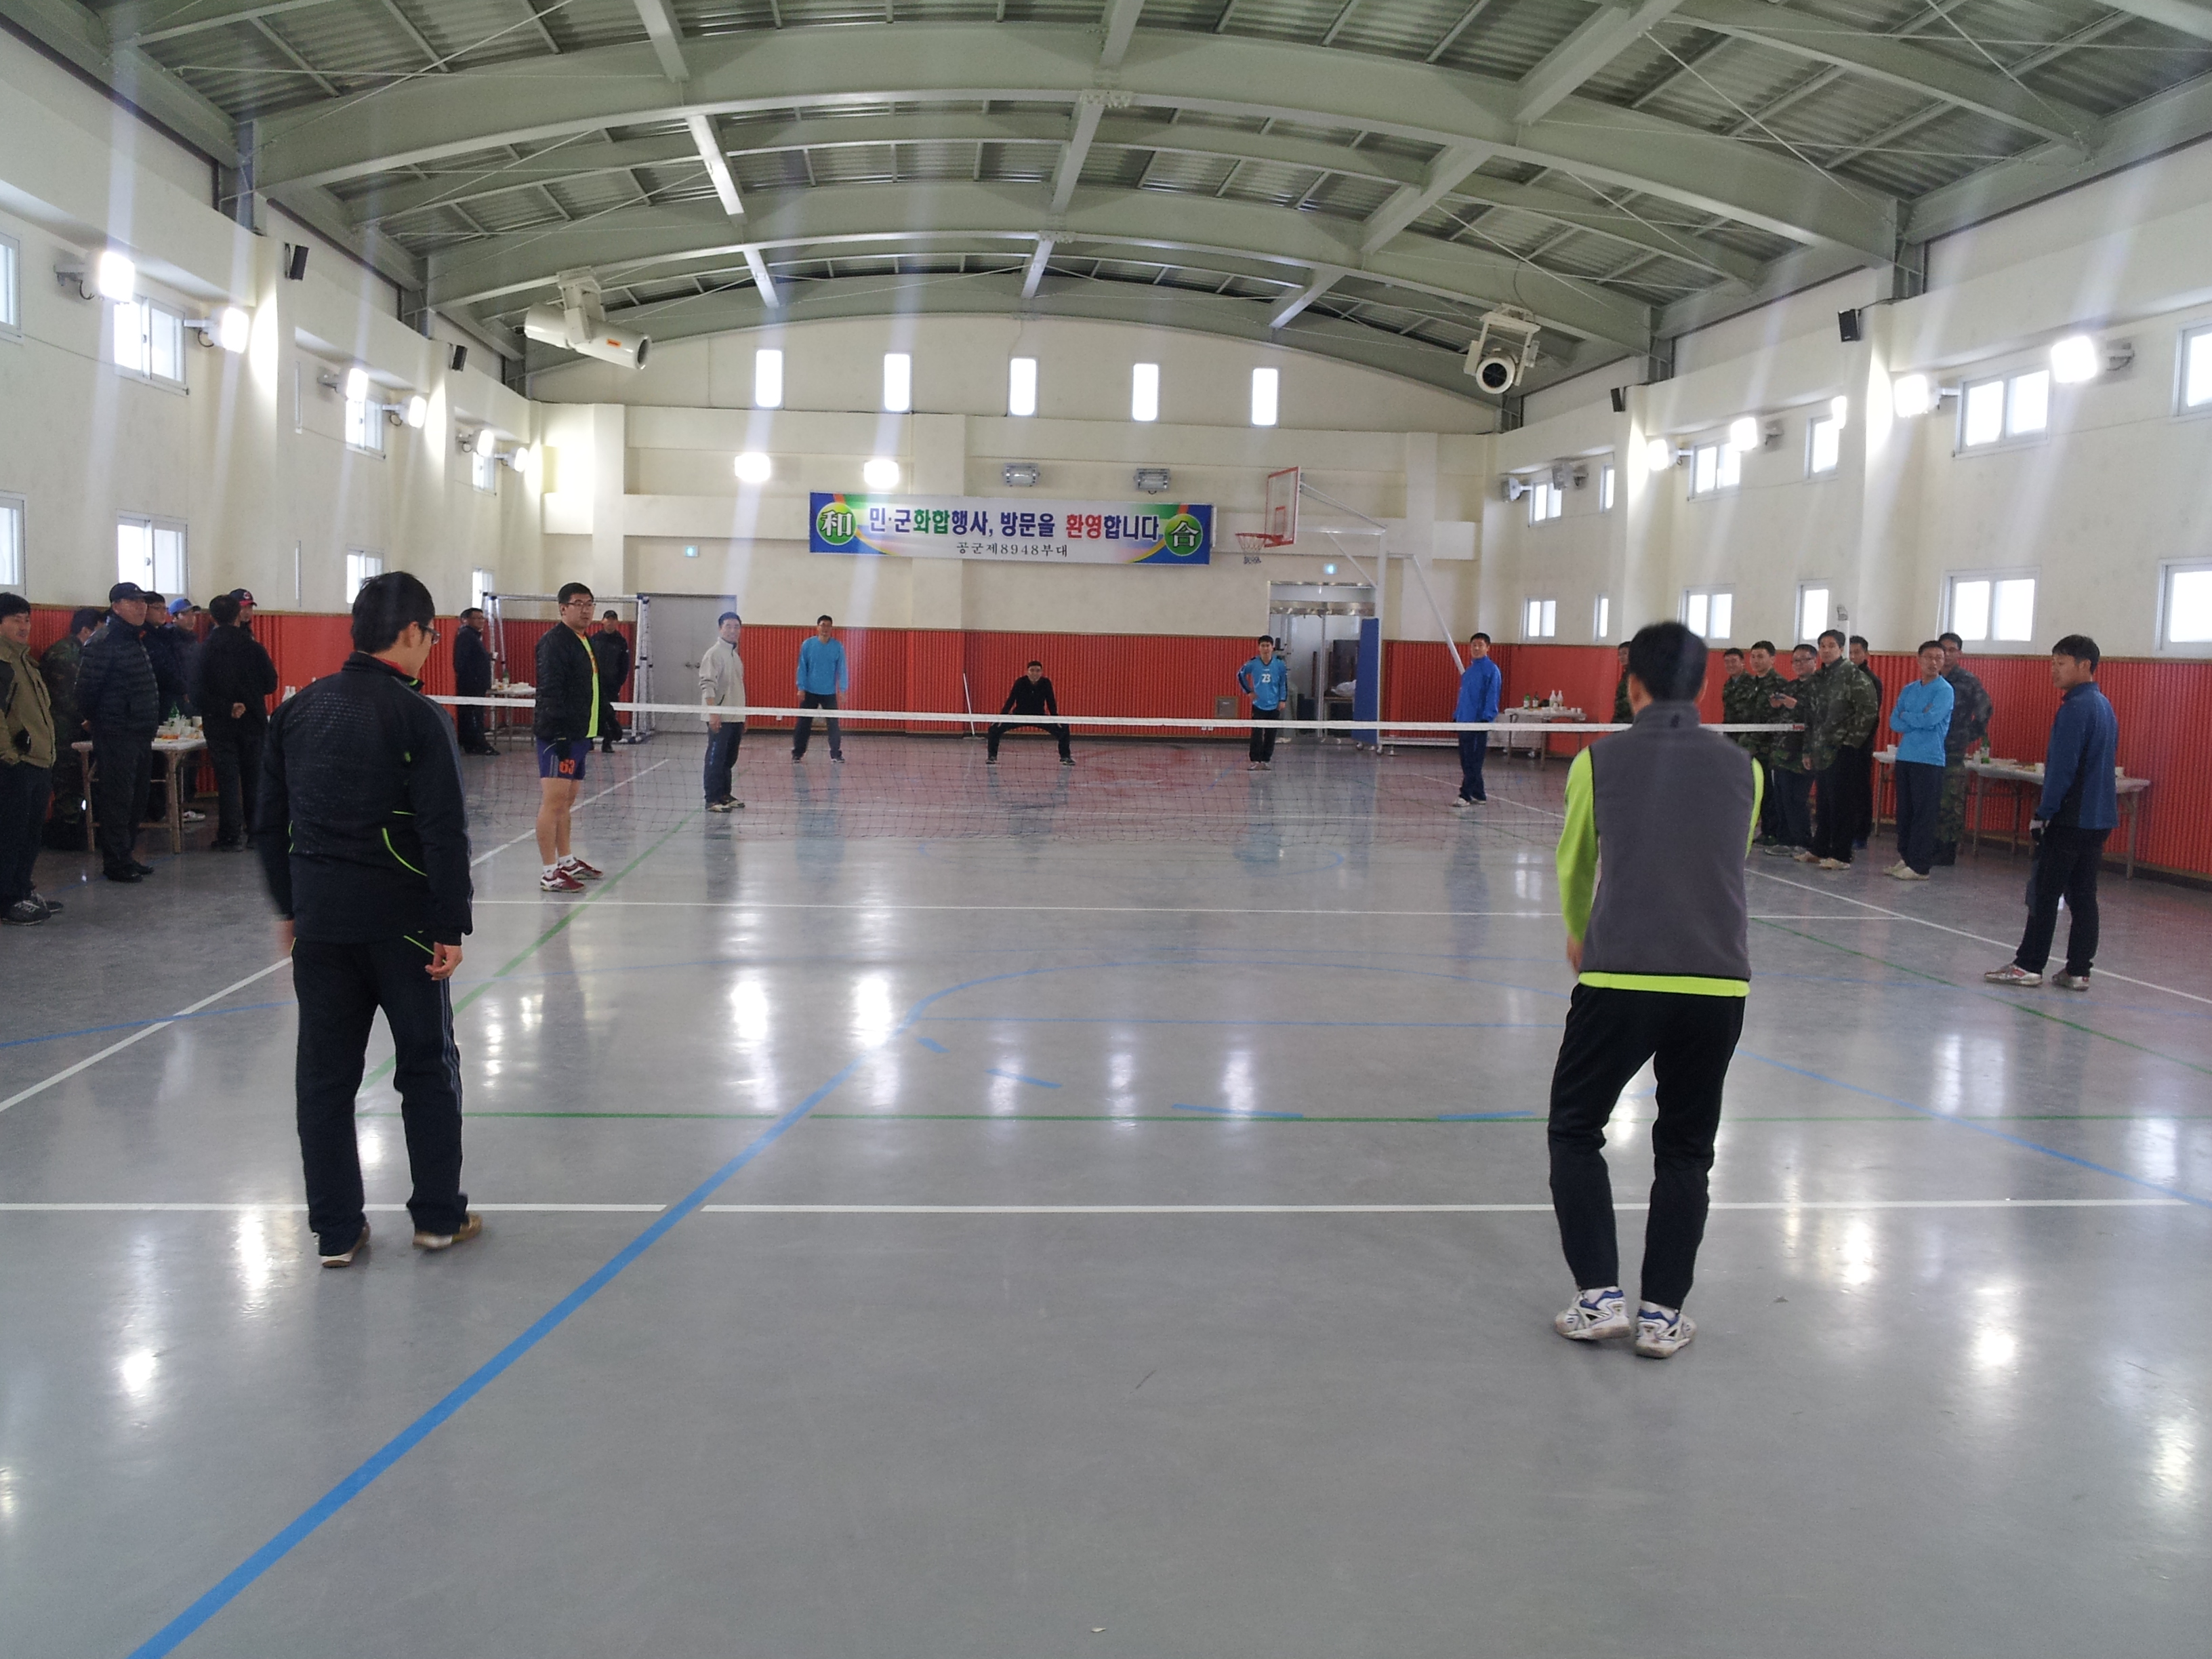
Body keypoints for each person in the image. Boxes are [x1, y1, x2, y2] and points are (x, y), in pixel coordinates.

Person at [1547, 621, 1761, 1360]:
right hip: (1717, 982)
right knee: (1687, 1148)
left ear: (1631, 683)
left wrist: (1579, 931)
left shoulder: (1596, 761)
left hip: (1619, 976)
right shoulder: (1747, 769)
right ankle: (1663, 1314)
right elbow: (1728, 857)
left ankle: (1598, 1298)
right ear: (1703, 686)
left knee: (1576, 1128)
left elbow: (1576, 861)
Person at [258, 571, 479, 1265]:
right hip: (404, 929)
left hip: (322, 928)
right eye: (431, 635)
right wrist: (450, 926)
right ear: (411, 633)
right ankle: (437, 1218)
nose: (431, 646)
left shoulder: (297, 711)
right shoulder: (419, 717)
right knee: (427, 1069)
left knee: (323, 1083)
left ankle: (335, 1231)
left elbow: (270, 826)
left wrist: (291, 908)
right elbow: (443, 831)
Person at [1986, 636, 2118, 992]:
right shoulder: (2104, 705)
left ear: (2084, 665)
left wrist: (2044, 812)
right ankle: (2078, 970)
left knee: (2045, 892)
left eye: (2061, 663)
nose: (2053, 670)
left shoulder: (2075, 709)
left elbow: (2062, 770)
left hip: (2070, 817)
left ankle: (2028, 965)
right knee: (2083, 895)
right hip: (2099, 818)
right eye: (2052, 663)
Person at [75, 582, 161, 883]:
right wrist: (99, 719)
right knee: (118, 800)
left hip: (140, 732)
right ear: (116, 606)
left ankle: (126, 854)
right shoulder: (104, 641)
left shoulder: (134, 638)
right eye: (133, 602)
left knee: (137, 799)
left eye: (143, 602)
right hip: (116, 732)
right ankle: (115, 861)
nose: (141, 607)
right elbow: (85, 690)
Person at [192, 592, 279, 851]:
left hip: (219, 722)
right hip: (253, 720)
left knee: (228, 780)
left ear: (213, 618)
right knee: (254, 778)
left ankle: (230, 836)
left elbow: (196, 693)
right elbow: (270, 683)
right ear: (237, 616)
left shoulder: (204, 650)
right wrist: (248, 698)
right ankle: (256, 833)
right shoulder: (253, 647)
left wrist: (227, 707)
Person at [533, 581, 603, 893]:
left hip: (580, 734)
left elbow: (589, 687)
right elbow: (551, 691)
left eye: (590, 604)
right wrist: (559, 734)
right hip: (558, 735)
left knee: (567, 801)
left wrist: (604, 717)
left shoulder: (584, 640)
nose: (586, 610)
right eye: (578, 604)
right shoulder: (554, 643)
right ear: (563, 608)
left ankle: (567, 860)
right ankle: (550, 872)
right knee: (553, 802)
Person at [1, 594, 60, 926]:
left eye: (27, 620)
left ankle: (22, 889)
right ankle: (7, 900)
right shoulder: (2, 664)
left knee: (30, 834)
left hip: (38, 760)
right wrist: (8, 756)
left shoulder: (25, 661)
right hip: (14, 764)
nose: (24, 626)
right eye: (16, 620)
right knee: (10, 835)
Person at [1801, 628, 1877, 871]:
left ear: (1841, 649)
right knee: (1823, 801)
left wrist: (1850, 743)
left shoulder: (1853, 676)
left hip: (1843, 750)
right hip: (1820, 749)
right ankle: (1820, 848)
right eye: (1822, 646)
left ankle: (1842, 854)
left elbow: (1868, 712)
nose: (1826, 650)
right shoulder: (1818, 678)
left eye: (1831, 646)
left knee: (1842, 803)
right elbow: (1810, 717)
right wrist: (1807, 749)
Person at [1885, 641, 1954, 882]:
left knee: (1924, 814)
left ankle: (1920, 865)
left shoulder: (1944, 690)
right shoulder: (1909, 689)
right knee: (1906, 811)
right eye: (1929, 657)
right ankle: (1906, 857)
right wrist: (1915, 717)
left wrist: (1909, 716)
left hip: (1929, 760)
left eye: (1938, 658)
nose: (1933, 662)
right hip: (1906, 757)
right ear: (1919, 660)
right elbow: (1895, 722)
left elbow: (1931, 720)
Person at [40, 607, 102, 845]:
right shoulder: (65, 655)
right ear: (86, 631)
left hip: (76, 727)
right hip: (64, 729)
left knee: (78, 780)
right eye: (99, 631)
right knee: (68, 781)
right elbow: (69, 698)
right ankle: (66, 832)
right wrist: (91, 718)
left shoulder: (81, 652)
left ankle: (76, 828)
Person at [1935, 632, 1992, 866]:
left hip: (1954, 749)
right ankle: (1929, 844)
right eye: (1943, 650)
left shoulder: (1968, 681)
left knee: (1951, 799)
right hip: (1931, 747)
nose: (1947, 655)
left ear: (1959, 653)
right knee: (1931, 797)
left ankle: (1947, 848)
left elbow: (1985, 709)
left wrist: (1967, 735)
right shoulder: (1932, 678)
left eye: (1952, 650)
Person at [1761, 644, 1818, 855]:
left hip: (1804, 752)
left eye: (1804, 660)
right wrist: (1775, 706)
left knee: (1797, 799)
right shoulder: (1790, 687)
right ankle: (1784, 840)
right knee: (1782, 798)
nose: (1799, 664)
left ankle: (1803, 841)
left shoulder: (1820, 687)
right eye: (1796, 661)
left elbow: (1821, 717)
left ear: (1815, 661)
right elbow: (1779, 718)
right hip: (1782, 751)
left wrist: (1797, 706)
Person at [1733, 641, 1787, 844]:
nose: (1756, 661)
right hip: (1749, 745)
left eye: (1761, 656)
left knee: (1769, 792)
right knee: (1753, 790)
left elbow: (1781, 716)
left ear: (1772, 659)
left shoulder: (1780, 684)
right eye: (1753, 657)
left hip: (1769, 746)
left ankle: (1772, 831)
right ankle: (1760, 829)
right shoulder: (1749, 683)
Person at [700, 611, 747, 811]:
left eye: (736, 627)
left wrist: (743, 716)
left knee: (729, 759)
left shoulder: (735, 656)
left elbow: (738, 688)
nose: (733, 631)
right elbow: (707, 684)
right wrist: (713, 713)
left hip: (735, 717)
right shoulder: (714, 654)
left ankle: (725, 795)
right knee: (716, 758)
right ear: (720, 629)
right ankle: (712, 799)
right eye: (728, 626)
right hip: (719, 717)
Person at [988, 661, 1073, 764]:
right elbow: (1011, 700)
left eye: (1038, 671)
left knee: (1063, 728)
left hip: (1039, 716)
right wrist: (1002, 717)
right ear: (1027, 672)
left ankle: (1065, 757)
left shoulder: (1046, 683)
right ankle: (992, 756)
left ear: (1041, 672)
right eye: (1032, 670)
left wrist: (1056, 718)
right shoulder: (1020, 682)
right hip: (1019, 715)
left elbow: (1051, 702)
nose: (1035, 673)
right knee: (994, 728)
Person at [1453, 632, 1501, 806]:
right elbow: (1464, 697)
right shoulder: (1469, 672)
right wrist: (1457, 715)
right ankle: (1479, 794)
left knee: (1474, 761)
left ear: (1488, 648)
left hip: (1478, 723)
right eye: (1474, 645)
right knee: (1466, 760)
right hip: (1464, 722)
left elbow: (1492, 695)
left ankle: (1465, 795)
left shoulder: (1492, 671)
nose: (1476, 648)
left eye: (1480, 645)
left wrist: (1486, 718)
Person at [793, 614, 848, 761]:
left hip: (829, 692)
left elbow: (842, 669)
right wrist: (801, 687)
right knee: (803, 723)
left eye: (828, 626)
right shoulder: (808, 645)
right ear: (818, 627)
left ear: (832, 629)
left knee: (833, 724)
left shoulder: (838, 647)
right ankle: (797, 753)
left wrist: (843, 690)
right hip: (809, 691)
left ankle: (836, 754)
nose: (825, 629)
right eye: (823, 625)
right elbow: (802, 667)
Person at [1846, 636, 1881, 848]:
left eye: (1856, 652)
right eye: (1848, 652)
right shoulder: (1840, 678)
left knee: (1859, 789)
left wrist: (1854, 740)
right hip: (1839, 745)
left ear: (1866, 654)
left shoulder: (1871, 680)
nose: (1852, 657)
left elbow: (1870, 717)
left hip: (1860, 745)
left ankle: (1860, 834)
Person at [1237, 634, 1289, 771]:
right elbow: (1240, 675)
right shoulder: (1253, 663)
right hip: (1259, 705)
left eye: (1268, 646)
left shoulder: (1279, 664)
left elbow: (1283, 683)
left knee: (1271, 735)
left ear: (1272, 648)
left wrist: (1282, 699)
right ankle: (1255, 760)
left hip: (1274, 705)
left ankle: (1266, 760)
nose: (1266, 648)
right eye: (1263, 646)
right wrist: (1249, 691)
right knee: (1257, 734)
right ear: (1259, 648)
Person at [452, 607, 495, 755]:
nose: (481, 621)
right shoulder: (466, 636)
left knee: (475, 714)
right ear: (466, 620)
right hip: (471, 685)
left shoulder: (474, 637)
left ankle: (473, 743)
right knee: (474, 715)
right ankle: (477, 744)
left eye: (483, 618)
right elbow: (461, 662)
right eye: (477, 618)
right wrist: (474, 677)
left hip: (477, 684)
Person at [590, 609, 631, 754]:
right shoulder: (595, 639)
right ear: (603, 621)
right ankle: (589, 741)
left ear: (617, 622)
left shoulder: (621, 642)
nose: (610, 622)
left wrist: (618, 683)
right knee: (592, 712)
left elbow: (625, 665)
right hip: (595, 684)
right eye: (608, 619)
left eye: (613, 619)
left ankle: (607, 743)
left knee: (610, 714)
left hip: (612, 686)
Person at [1611, 641, 1631, 724]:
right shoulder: (1626, 673)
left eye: (1625, 654)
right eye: (1619, 654)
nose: (1621, 657)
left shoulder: (1637, 674)